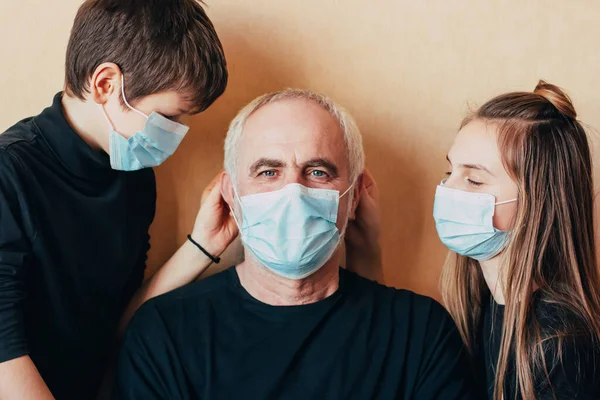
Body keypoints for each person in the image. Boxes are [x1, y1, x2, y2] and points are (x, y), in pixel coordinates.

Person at [114, 89, 475, 400]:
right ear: (231, 195)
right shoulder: (164, 335)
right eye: (268, 172)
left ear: (354, 198)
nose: (293, 193)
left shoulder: (421, 333)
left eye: (318, 172)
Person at [0, 1, 234, 398]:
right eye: (171, 117)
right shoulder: (10, 175)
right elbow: (5, 358)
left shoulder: (134, 177)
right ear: (106, 83)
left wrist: (203, 246)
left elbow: (121, 320)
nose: (178, 134)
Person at [434, 81, 600, 399]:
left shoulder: (564, 347)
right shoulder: (476, 306)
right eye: (449, 171)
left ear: (540, 201)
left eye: (474, 179)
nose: (447, 190)